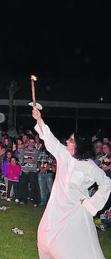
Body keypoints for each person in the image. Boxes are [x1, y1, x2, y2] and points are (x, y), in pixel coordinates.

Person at [32, 107, 111, 259]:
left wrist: (91, 205)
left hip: (76, 212)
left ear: (79, 145)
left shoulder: (89, 166)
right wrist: (38, 119)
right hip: (56, 208)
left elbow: (106, 183)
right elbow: (49, 138)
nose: (67, 141)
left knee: (71, 248)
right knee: (44, 237)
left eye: (71, 140)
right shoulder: (64, 155)